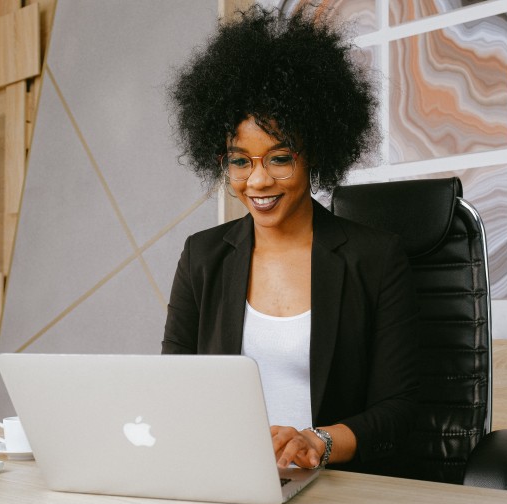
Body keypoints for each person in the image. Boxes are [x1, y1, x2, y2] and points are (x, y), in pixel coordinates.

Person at [162, 6, 419, 475]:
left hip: (338, 487)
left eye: (279, 158)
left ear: (315, 152)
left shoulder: (376, 259)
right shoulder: (203, 256)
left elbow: (400, 410)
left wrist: (316, 441)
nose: (257, 181)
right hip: (228, 477)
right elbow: (175, 385)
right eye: (240, 161)